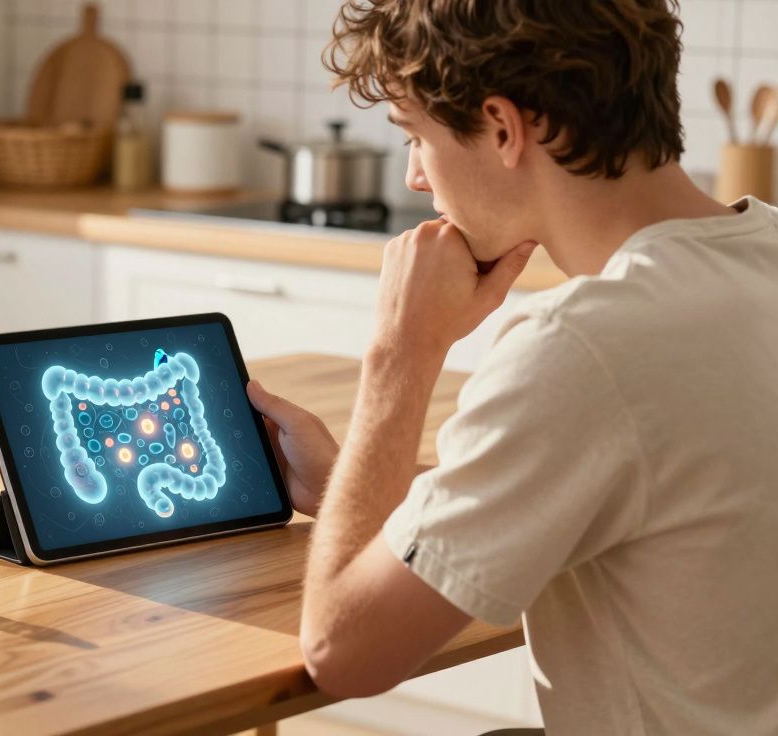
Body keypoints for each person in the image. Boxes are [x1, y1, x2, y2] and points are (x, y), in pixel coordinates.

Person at [246, 1, 778, 733]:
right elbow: (628, 482)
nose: (415, 177)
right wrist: (350, 483)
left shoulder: (584, 346)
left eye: (417, 138)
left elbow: (344, 652)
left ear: (502, 128)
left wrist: (401, 354)